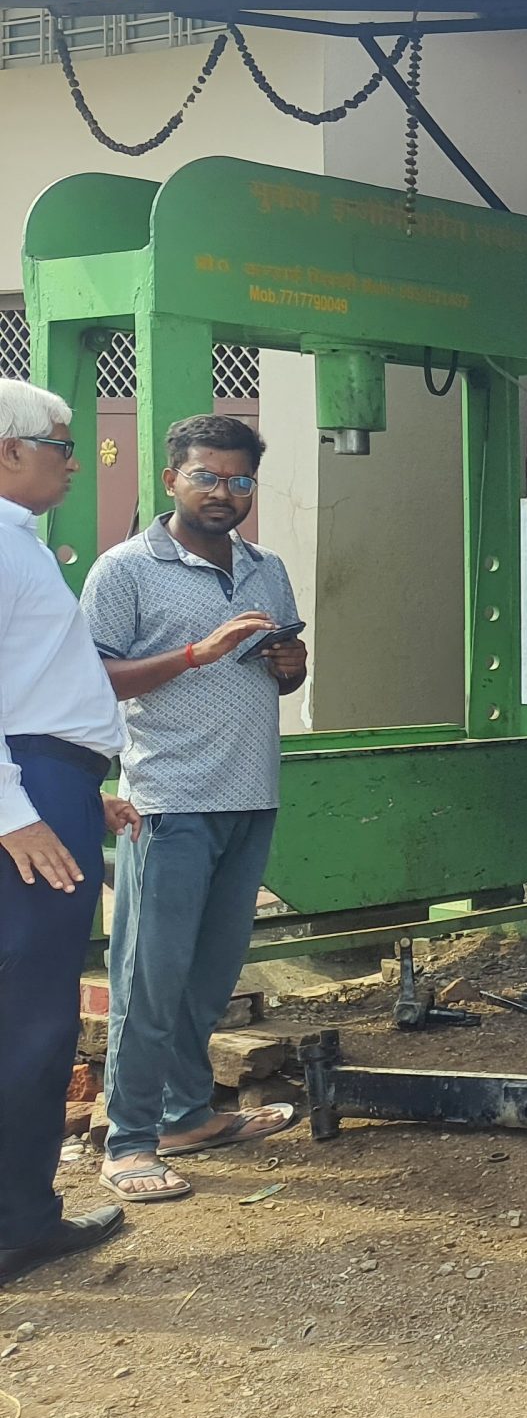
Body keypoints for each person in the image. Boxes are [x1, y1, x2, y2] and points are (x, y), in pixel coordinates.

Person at [80, 416, 305, 1204]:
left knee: (208, 977)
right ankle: (129, 1140)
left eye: (240, 481)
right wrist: (194, 655)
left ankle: (184, 1117)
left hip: (251, 794)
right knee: (150, 980)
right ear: (171, 478)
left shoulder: (267, 569)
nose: (223, 493)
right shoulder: (126, 570)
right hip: (169, 801)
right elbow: (92, 678)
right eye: (206, 476)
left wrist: (291, 663)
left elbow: (284, 677)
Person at [0, 380, 140, 1288]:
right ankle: (17, 1223)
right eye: (60, 443)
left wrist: (80, 792)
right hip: (25, 789)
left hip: (47, 781)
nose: (75, 461)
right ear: (9, 450)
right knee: (31, 1015)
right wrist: (18, 812)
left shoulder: (19, 542)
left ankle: (21, 1212)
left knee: (30, 1010)